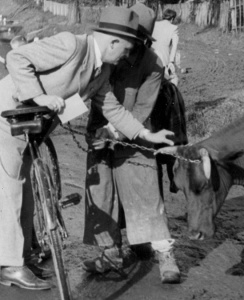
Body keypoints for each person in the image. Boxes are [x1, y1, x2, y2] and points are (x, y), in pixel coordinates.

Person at [0, 6, 173, 291]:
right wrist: (40, 96)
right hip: (7, 120)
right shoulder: (71, 44)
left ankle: (22, 255)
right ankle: (9, 265)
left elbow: (112, 109)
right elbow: (17, 58)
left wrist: (145, 134)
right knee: (11, 189)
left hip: (30, 130)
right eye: (126, 50)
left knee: (27, 190)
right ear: (113, 42)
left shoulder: (102, 71)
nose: (126, 57)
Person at [82, 2, 181, 284]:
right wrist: (98, 133)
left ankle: (164, 253)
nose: (126, 47)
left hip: (137, 134)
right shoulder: (104, 54)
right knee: (100, 191)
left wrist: (116, 133)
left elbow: (141, 110)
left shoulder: (153, 65)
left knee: (145, 191)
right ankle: (110, 253)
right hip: (99, 129)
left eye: (134, 41)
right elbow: (92, 93)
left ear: (143, 40)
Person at [151, 8, 179, 86]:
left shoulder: (154, 24)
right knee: (169, 81)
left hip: (151, 55)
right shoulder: (174, 28)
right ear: (172, 18)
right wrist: (171, 61)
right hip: (164, 58)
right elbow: (174, 46)